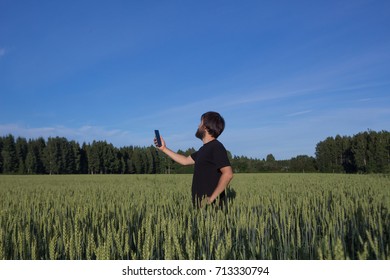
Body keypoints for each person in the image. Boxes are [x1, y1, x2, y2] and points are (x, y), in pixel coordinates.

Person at [154, 111, 233, 209]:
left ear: (206, 127)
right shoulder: (203, 149)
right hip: (200, 206)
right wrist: (164, 148)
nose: (198, 125)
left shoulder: (216, 147)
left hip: (213, 209)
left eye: (201, 123)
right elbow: (185, 160)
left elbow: (228, 174)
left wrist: (211, 199)